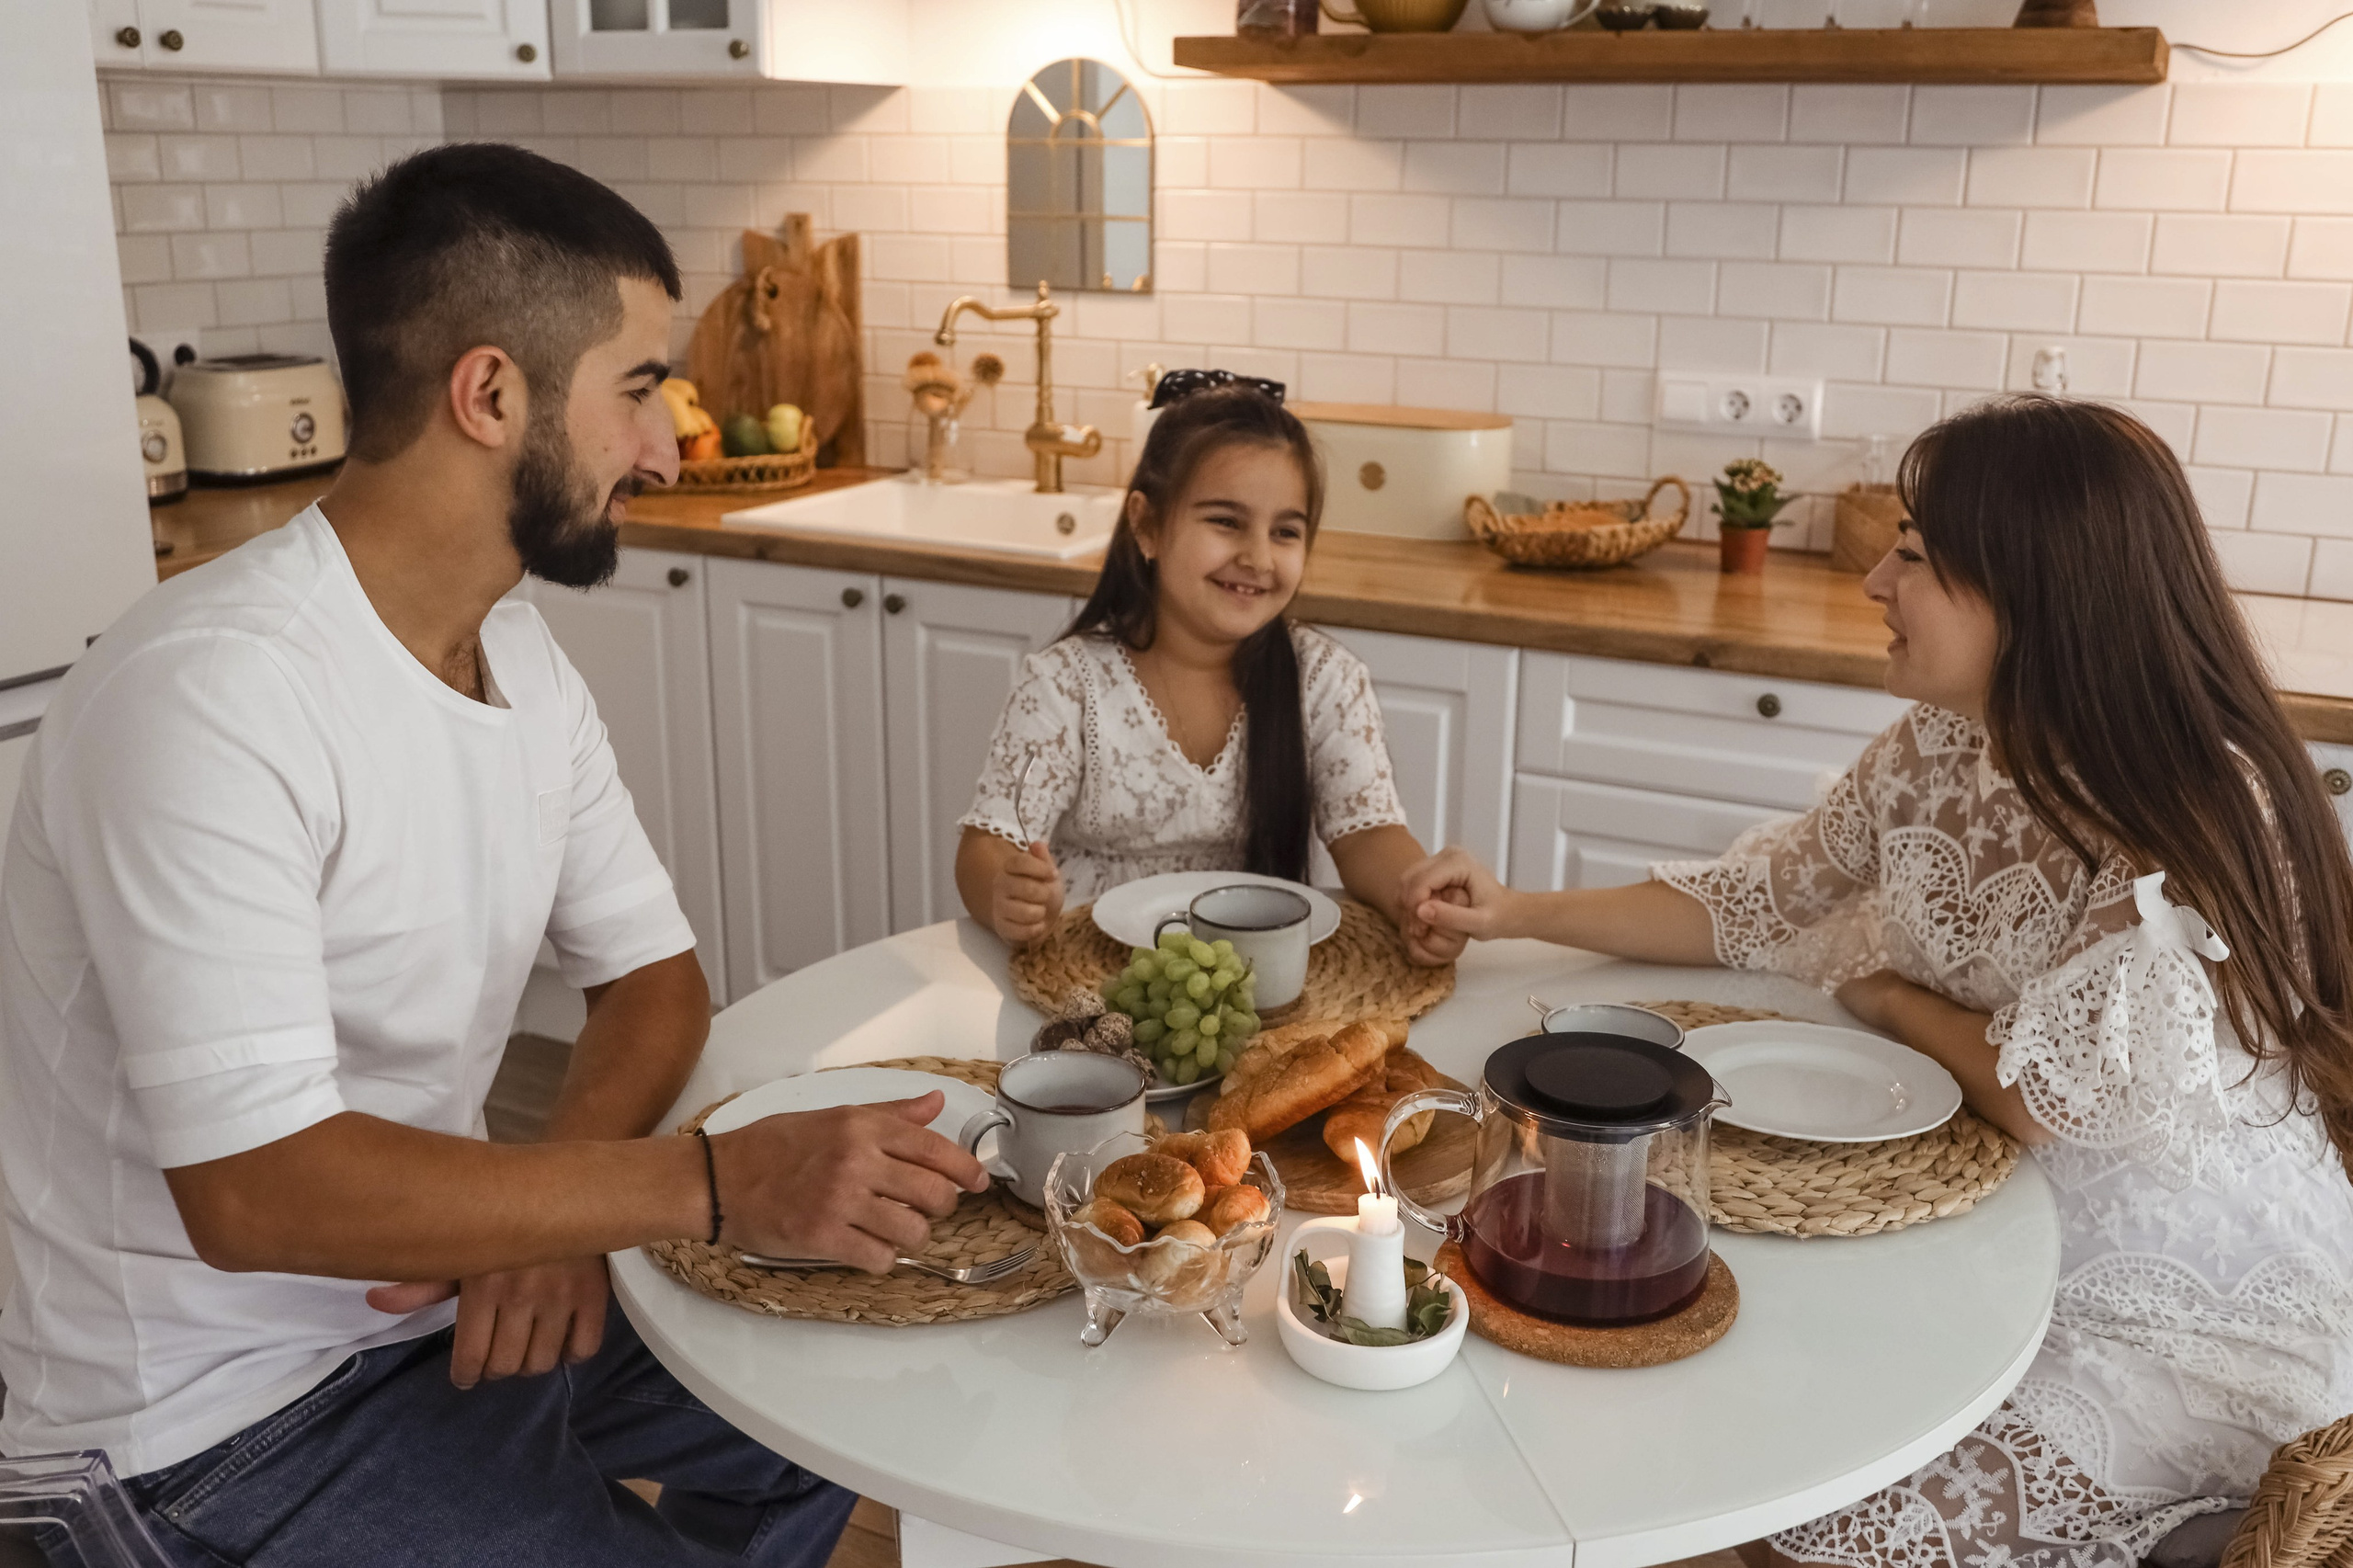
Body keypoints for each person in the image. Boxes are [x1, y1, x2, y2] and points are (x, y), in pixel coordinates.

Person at [0, 143, 987, 1566]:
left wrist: (555, 1215)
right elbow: (254, 1188)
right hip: (208, 1424)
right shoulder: (212, 694)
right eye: (639, 391)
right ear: (491, 394)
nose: (663, 448)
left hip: (438, 1303)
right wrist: (704, 1179)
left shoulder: (509, 650)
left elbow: (654, 979)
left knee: (843, 1413)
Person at [1403, 397, 2353, 1568]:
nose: (1873, 580)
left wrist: (1891, 993)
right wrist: (1516, 910)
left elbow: (2034, 1097)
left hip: (2172, 1295)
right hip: (1964, 1209)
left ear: (2033, 592)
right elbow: (1757, 899)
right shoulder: (1942, 743)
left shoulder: (2190, 804)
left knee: (1801, 1513)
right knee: (1686, 1415)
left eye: (1914, 553)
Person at [955, 382, 1459, 966]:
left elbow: (1368, 835)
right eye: (1226, 521)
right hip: (1086, 973)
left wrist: (1416, 897)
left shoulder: (1326, 680)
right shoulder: (1063, 684)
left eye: (1286, 531)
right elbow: (987, 847)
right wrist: (1003, 896)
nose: (1259, 558)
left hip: (1248, 976)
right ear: (1146, 525)